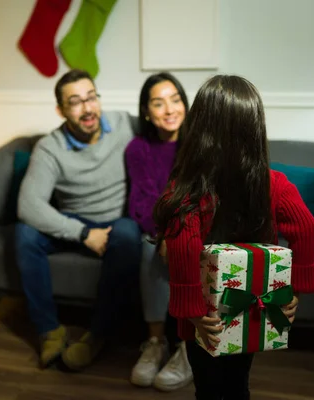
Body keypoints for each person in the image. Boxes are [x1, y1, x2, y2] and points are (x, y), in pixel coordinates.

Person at [152, 75, 314, 399]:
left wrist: (192, 309)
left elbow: (183, 246)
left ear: (200, 128)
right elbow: (307, 228)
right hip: (252, 310)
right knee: (237, 381)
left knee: (208, 386)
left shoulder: (188, 189)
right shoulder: (274, 183)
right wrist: (290, 291)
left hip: (206, 316)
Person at [16, 69, 142, 371]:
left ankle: (97, 335)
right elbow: (28, 205)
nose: (87, 108)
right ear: (61, 110)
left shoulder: (124, 124)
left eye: (91, 98)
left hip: (116, 222)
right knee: (25, 234)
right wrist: (84, 232)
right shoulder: (50, 147)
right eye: (75, 102)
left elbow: (167, 130)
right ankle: (50, 332)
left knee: (128, 234)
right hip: (75, 223)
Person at [124, 72, 193, 391]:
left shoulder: (200, 143)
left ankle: (190, 347)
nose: (169, 109)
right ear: (147, 111)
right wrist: (164, 234)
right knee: (148, 246)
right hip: (157, 230)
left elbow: (202, 196)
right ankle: (155, 342)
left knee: (190, 247)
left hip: (196, 225)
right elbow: (142, 200)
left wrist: (177, 233)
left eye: (175, 99)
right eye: (158, 103)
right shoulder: (138, 149)